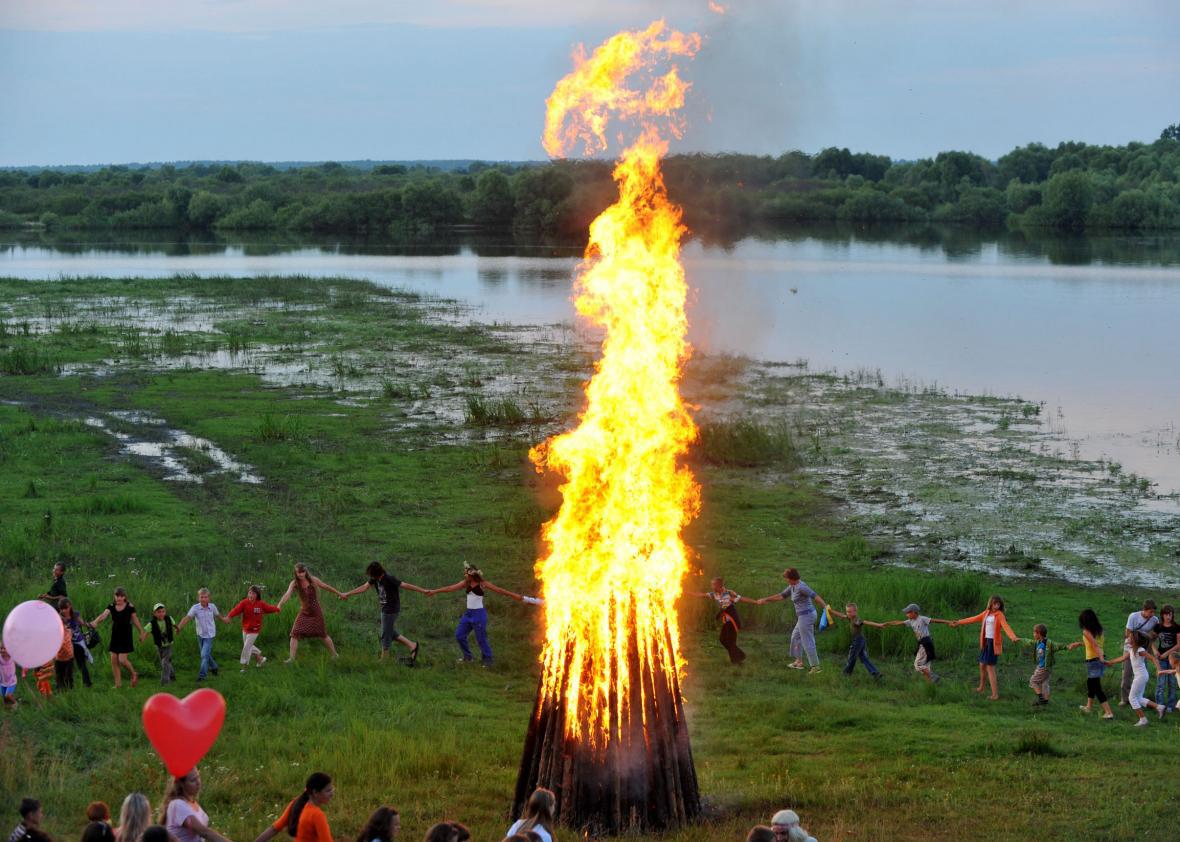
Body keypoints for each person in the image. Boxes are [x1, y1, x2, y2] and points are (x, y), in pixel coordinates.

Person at [429, 564, 523, 666]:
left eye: (467, 574)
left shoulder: (483, 584)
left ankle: (488, 659)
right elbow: (450, 588)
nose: (465, 575)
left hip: (479, 614)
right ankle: (468, 657)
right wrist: (435, 591)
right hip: (468, 614)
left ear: (472, 575)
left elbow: (499, 590)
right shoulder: (465, 583)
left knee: (481, 638)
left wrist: (515, 595)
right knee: (459, 635)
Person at [341, 562, 428, 664]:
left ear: (377, 573)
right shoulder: (375, 578)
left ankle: (384, 659)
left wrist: (423, 591)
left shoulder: (389, 578)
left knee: (385, 634)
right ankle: (412, 645)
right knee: (389, 631)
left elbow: (405, 585)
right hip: (385, 609)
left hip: (391, 610)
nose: (370, 577)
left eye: (371, 574)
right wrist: (348, 593)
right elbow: (364, 587)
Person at [754, 568, 828, 673]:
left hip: (807, 616)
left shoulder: (802, 587)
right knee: (795, 637)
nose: (786, 580)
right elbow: (781, 596)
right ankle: (799, 661)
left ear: (792, 578)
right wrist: (766, 599)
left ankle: (815, 667)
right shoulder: (792, 586)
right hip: (802, 616)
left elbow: (815, 596)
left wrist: (826, 608)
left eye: (787, 578)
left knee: (807, 641)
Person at [953, 595, 1018, 700]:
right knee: (982, 665)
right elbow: (973, 619)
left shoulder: (1000, 615)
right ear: (991, 603)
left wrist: (1013, 637)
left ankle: (995, 695)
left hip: (993, 643)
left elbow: (1006, 626)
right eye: (995, 603)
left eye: (998, 604)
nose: (996, 606)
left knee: (990, 668)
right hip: (986, 642)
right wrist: (959, 622)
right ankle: (981, 688)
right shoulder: (986, 613)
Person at [276, 564, 345, 662]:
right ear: (295, 573)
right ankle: (291, 659)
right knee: (294, 634)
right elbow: (287, 594)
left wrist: (340, 593)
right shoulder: (294, 583)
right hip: (304, 611)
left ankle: (335, 655)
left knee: (323, 634)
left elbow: (326, 586)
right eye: (298, 572)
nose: (301, 574)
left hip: (316, 611)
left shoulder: (313, 580)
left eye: (302, 572)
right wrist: (279, 604)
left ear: (306, 572)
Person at [1105, 630, 1165, 726]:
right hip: (1140, 676)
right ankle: (1159, 707)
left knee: (1132, 698)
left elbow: (1153, 658)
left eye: (1129, 637)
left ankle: (1143, 719)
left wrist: (1159, 670)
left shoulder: (1140, 650)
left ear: (1134, 640)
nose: (1127, 638)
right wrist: (1110, 662)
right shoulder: (1131, 650)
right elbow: (1122, 658)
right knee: (1138, 698)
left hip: (1141, 676)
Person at [882, 603, 953, 683]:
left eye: (908, 613)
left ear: (913, 612)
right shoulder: (911, 621)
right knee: (925, 666)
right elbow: (897, 622)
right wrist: (886, 624)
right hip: (922, 643)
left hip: (926, 643)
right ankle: (930, 685)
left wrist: (948, 622)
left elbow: (935, 620)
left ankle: (933, 676)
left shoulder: (922, 619)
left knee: (918, 665)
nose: (906, 614)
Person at [252, 773, 333, 842]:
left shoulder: (296, 803)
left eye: (332, 789)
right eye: (328, 791)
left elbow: (274, 829)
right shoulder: (317, 815)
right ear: (315, 793)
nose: (332, 793)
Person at [90, 588, 145, 688]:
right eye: (117, 596)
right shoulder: (111, 606)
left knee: (122, 660)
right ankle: (118, 684)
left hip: (126, 635)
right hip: (115, 635)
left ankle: (134, 673)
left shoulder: (129, 606)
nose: (119, 598)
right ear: (114, 596)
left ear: (124, 597)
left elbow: (135, 620)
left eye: (121, 596)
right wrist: (95, 621)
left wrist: (141, 632)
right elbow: (103, 615)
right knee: (114, 660)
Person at [160, 768, 231, 842]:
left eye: (198, 777)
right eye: (193, 780)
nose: (198, 782)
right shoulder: (178, 805)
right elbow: (203, 832)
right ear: (181, 784)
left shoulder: (193, 803)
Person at [689, 577, 748, 664]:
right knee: (723, 640)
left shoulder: (728, 593)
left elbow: (735, 602)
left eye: (713, 585)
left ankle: (738, 659)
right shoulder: (715, 594)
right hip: (726, 621)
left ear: (718, 586)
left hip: (732, 620)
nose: (712, 586)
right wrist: (688, 593)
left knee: (730, 641)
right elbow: (702, 595)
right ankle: (739, 656)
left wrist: (757, 602)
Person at [1068, 609, 1113, 718]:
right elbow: (1093, 643)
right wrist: (1078, 644)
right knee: (1091, 683)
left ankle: (1108, 712)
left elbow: (1095, 645)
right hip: (1098, 659)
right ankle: (1088, 707)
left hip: (1094, 660)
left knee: (1096, 687)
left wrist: (1101, 659)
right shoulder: (1099, 630)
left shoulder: (1086, 631)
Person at [223, 586, 280, 672]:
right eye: (249, 593)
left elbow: (269, 608)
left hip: (254, 630)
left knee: (246, 648)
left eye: (253, 593)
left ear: (257, 595)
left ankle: (244, 667)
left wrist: (277, 609)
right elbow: (236, 610)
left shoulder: (261, 604)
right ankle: (260, 659)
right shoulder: (244, 603)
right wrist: (229, 616)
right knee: (248, 646)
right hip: (245, 629)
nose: (251, 595)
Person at [176, 589, 227, 682]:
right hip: (200, 635)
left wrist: (224, 619)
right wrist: (179, 627)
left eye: (205, 597)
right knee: (206, 654)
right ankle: (214, 667)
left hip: (210, 635)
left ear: (209, 598)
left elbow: (217, 615)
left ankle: (202, 676)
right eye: (201, 597)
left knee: (204, 655)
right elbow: (187, 618)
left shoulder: (212, 607)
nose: (203, 599)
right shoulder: (195, 608)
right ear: (198, 598)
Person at [1015, 624, 1068, 706]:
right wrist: (1020, 640)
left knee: (1033, 681)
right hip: (1045, 667)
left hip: (1044, 667)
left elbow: (1058, 646)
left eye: (1034, 633)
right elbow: (1029, 642)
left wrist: (1068, 647)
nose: (1033, 634)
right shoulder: (1037, 642)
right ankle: (1045, 702)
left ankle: (1041, 699)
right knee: (1044, 683)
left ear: (1039, 634)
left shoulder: (1048, 644)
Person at [827, 602, 883, 679]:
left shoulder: (857, 619)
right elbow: (841, 615)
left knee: (852, 656)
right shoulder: (850, 618)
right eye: (847, 611)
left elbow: (866, 622)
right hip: (861, 640)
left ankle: (846, 673)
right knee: (864, 658)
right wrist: (831, 611)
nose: (848, 613)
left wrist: (878, 625)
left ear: (855, 611)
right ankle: (875, 673)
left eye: (850, 612)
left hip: (858, 641)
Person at [1120, 599, 1158, 705]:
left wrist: (1151, 638)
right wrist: (1142, 638)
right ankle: (1125, 699)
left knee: (1141, 674)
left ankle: (1138, 698)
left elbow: (1154, 636)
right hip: (1130, 648)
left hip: (1143, 650)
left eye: (1153, 612)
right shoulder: (1133, 616)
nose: (1152, 614)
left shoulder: (1155, 620)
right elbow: (1127, 633)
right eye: (1150, 612)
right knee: (1127, 673)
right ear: (1144, 609)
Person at [1153, 604, 1179, 714]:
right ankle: (1160, 705)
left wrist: (1167, 654)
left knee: (1172, 683)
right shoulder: (1158, 627)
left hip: (1173, 659)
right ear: (1162, 615)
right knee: (1161, 683)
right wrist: (1155, 651)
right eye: (1166, 614)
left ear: (1172, 615)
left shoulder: (1177, 627)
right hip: (1161, 659)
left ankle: (1170, 706)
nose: (1168, 617)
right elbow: (1151, 641)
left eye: (1170, 614)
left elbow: (1178, 644)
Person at [61, 601, 93, 688]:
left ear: (70, 606)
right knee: (68, 664)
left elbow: (82, 623)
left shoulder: (75, 614)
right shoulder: (60, 618)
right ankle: (68, 685)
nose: (64, 610)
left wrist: (91, 625)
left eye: (66, 608)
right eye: (62, 609)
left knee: (81, 664)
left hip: (79, 642)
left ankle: (87, 683)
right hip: (68, 644)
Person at [142, 605, 176, 685]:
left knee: (165, 662)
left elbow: (174, 625)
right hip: (159, 646)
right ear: (154, 613)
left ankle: (165, 681)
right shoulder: (152, 623)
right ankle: (172, 675)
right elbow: (147, 632)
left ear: (165, 612)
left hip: (168, 644)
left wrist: (177, 629)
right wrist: (143, 638)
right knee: (165, 662)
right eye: (159, 612)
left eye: (163, 612)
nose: (161, 614)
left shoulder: (169, 618)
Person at [53, 602, 75, 691]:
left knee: (66, 675)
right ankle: (62, 690)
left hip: (67, 657)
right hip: (61, 657)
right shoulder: (60, 631)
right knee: (61, 675)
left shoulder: (67, 631)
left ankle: (67, 690)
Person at [0, 642, 16, 706]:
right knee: (4, 697)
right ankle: (8, 707)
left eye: (5, 648)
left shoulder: (12, 657)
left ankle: (15, 704)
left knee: (8, 695)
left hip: (12, 681)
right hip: (2, 681)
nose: (2, 650)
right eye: (1, 648)